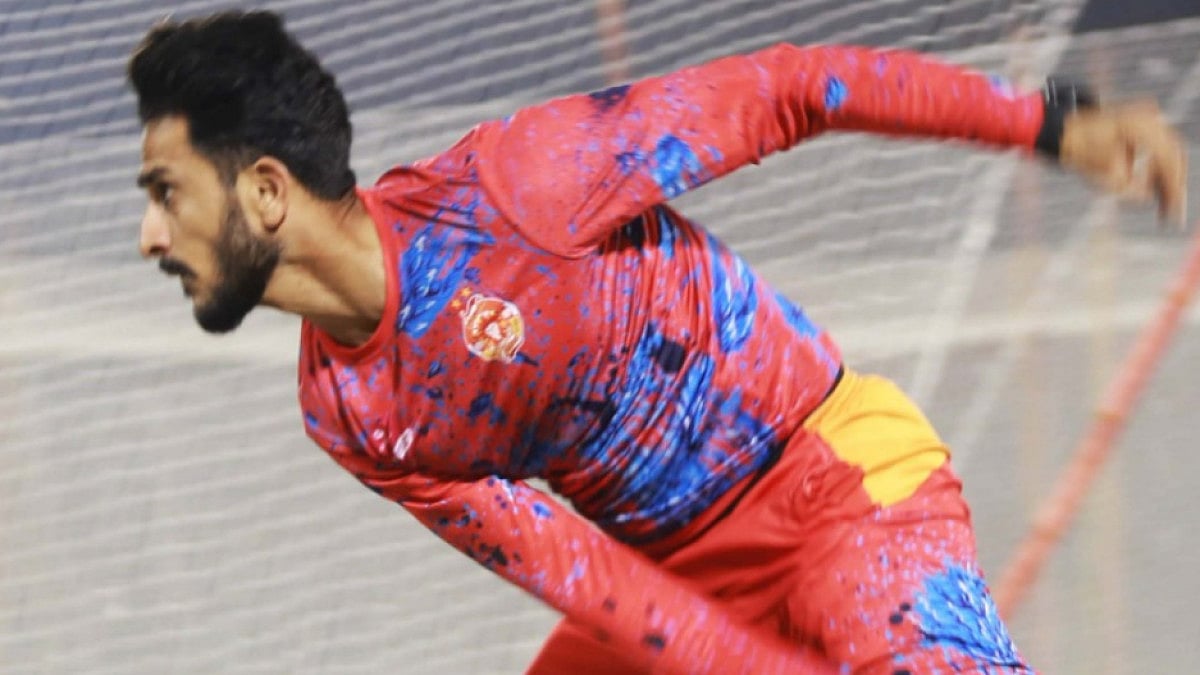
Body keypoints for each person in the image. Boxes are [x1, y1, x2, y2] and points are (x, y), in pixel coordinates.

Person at [126, 10, 1186, 675]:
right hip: (673, 575)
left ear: (267, 191)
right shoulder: (350, 413)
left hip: (836, 490)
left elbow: (792, 90)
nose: (149, 236)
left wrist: (1048, 122)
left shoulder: (516, 187)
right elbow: (590, 580)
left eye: (167, 193)